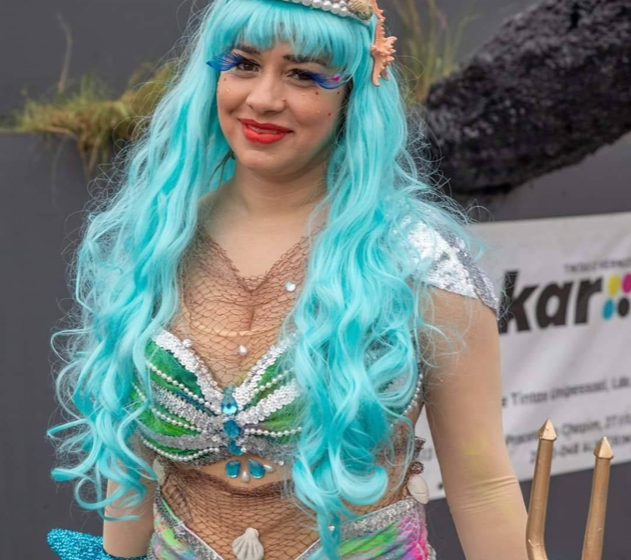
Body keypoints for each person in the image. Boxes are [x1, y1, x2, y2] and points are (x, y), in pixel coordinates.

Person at [47, 0, 529, 559]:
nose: (264, 98)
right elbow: (129, 459)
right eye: (244, 64)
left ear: (354, 92)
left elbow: (482, 486)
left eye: (303, 74)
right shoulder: (156, 243)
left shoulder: (419, 261)